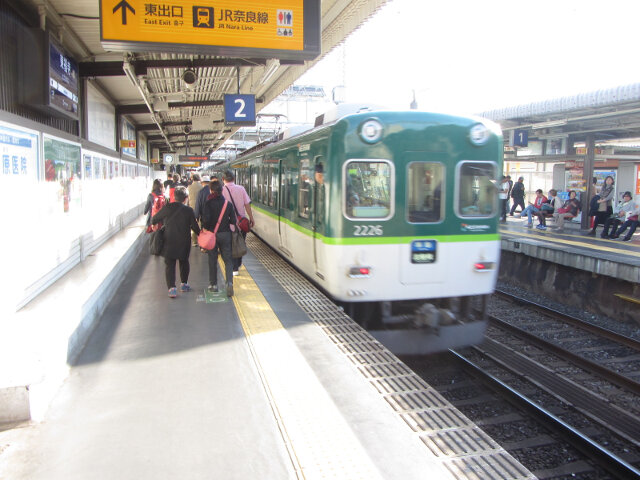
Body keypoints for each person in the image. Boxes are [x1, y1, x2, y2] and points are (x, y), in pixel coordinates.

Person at [151, 186, 200, 298]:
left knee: (170, 265)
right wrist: (202, 236)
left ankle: (172, 289)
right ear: (186, 198)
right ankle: (184, 284)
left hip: (169, 240)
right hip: (184, 241)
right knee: (184, 262)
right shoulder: (188, 210)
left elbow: (155, 218)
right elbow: (195, 227)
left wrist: (154, 224)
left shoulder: (167, 207)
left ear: (174, 197)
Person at [202, 180, 236, 296]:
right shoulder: (228, 204)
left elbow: (205, 221)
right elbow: (234, 221)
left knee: (212, 259)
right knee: (228, 260)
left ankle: (213, 285)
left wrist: (207, 228)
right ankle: (229, 283)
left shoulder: (208, 203)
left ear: (211, 191)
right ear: (222, 191)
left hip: (212, 235)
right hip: (225, 234)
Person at [221, 169, 255, 275]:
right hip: (241, 224)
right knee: (240, 243)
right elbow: (247, 204)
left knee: (229, 245)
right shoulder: (241, 189)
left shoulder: (221, 190)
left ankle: (233, 267)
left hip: (226, 224)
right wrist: (251, 218)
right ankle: (238, 264)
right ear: (234, 179)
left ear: (223, 180)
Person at [187, 173, 203, 246]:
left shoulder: (189, 187)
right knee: (200, 223)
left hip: (191, 207)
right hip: (200, 207)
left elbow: (187, 198)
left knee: (192, 223)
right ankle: (201, 239)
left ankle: (194, 241)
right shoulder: (202, 187)